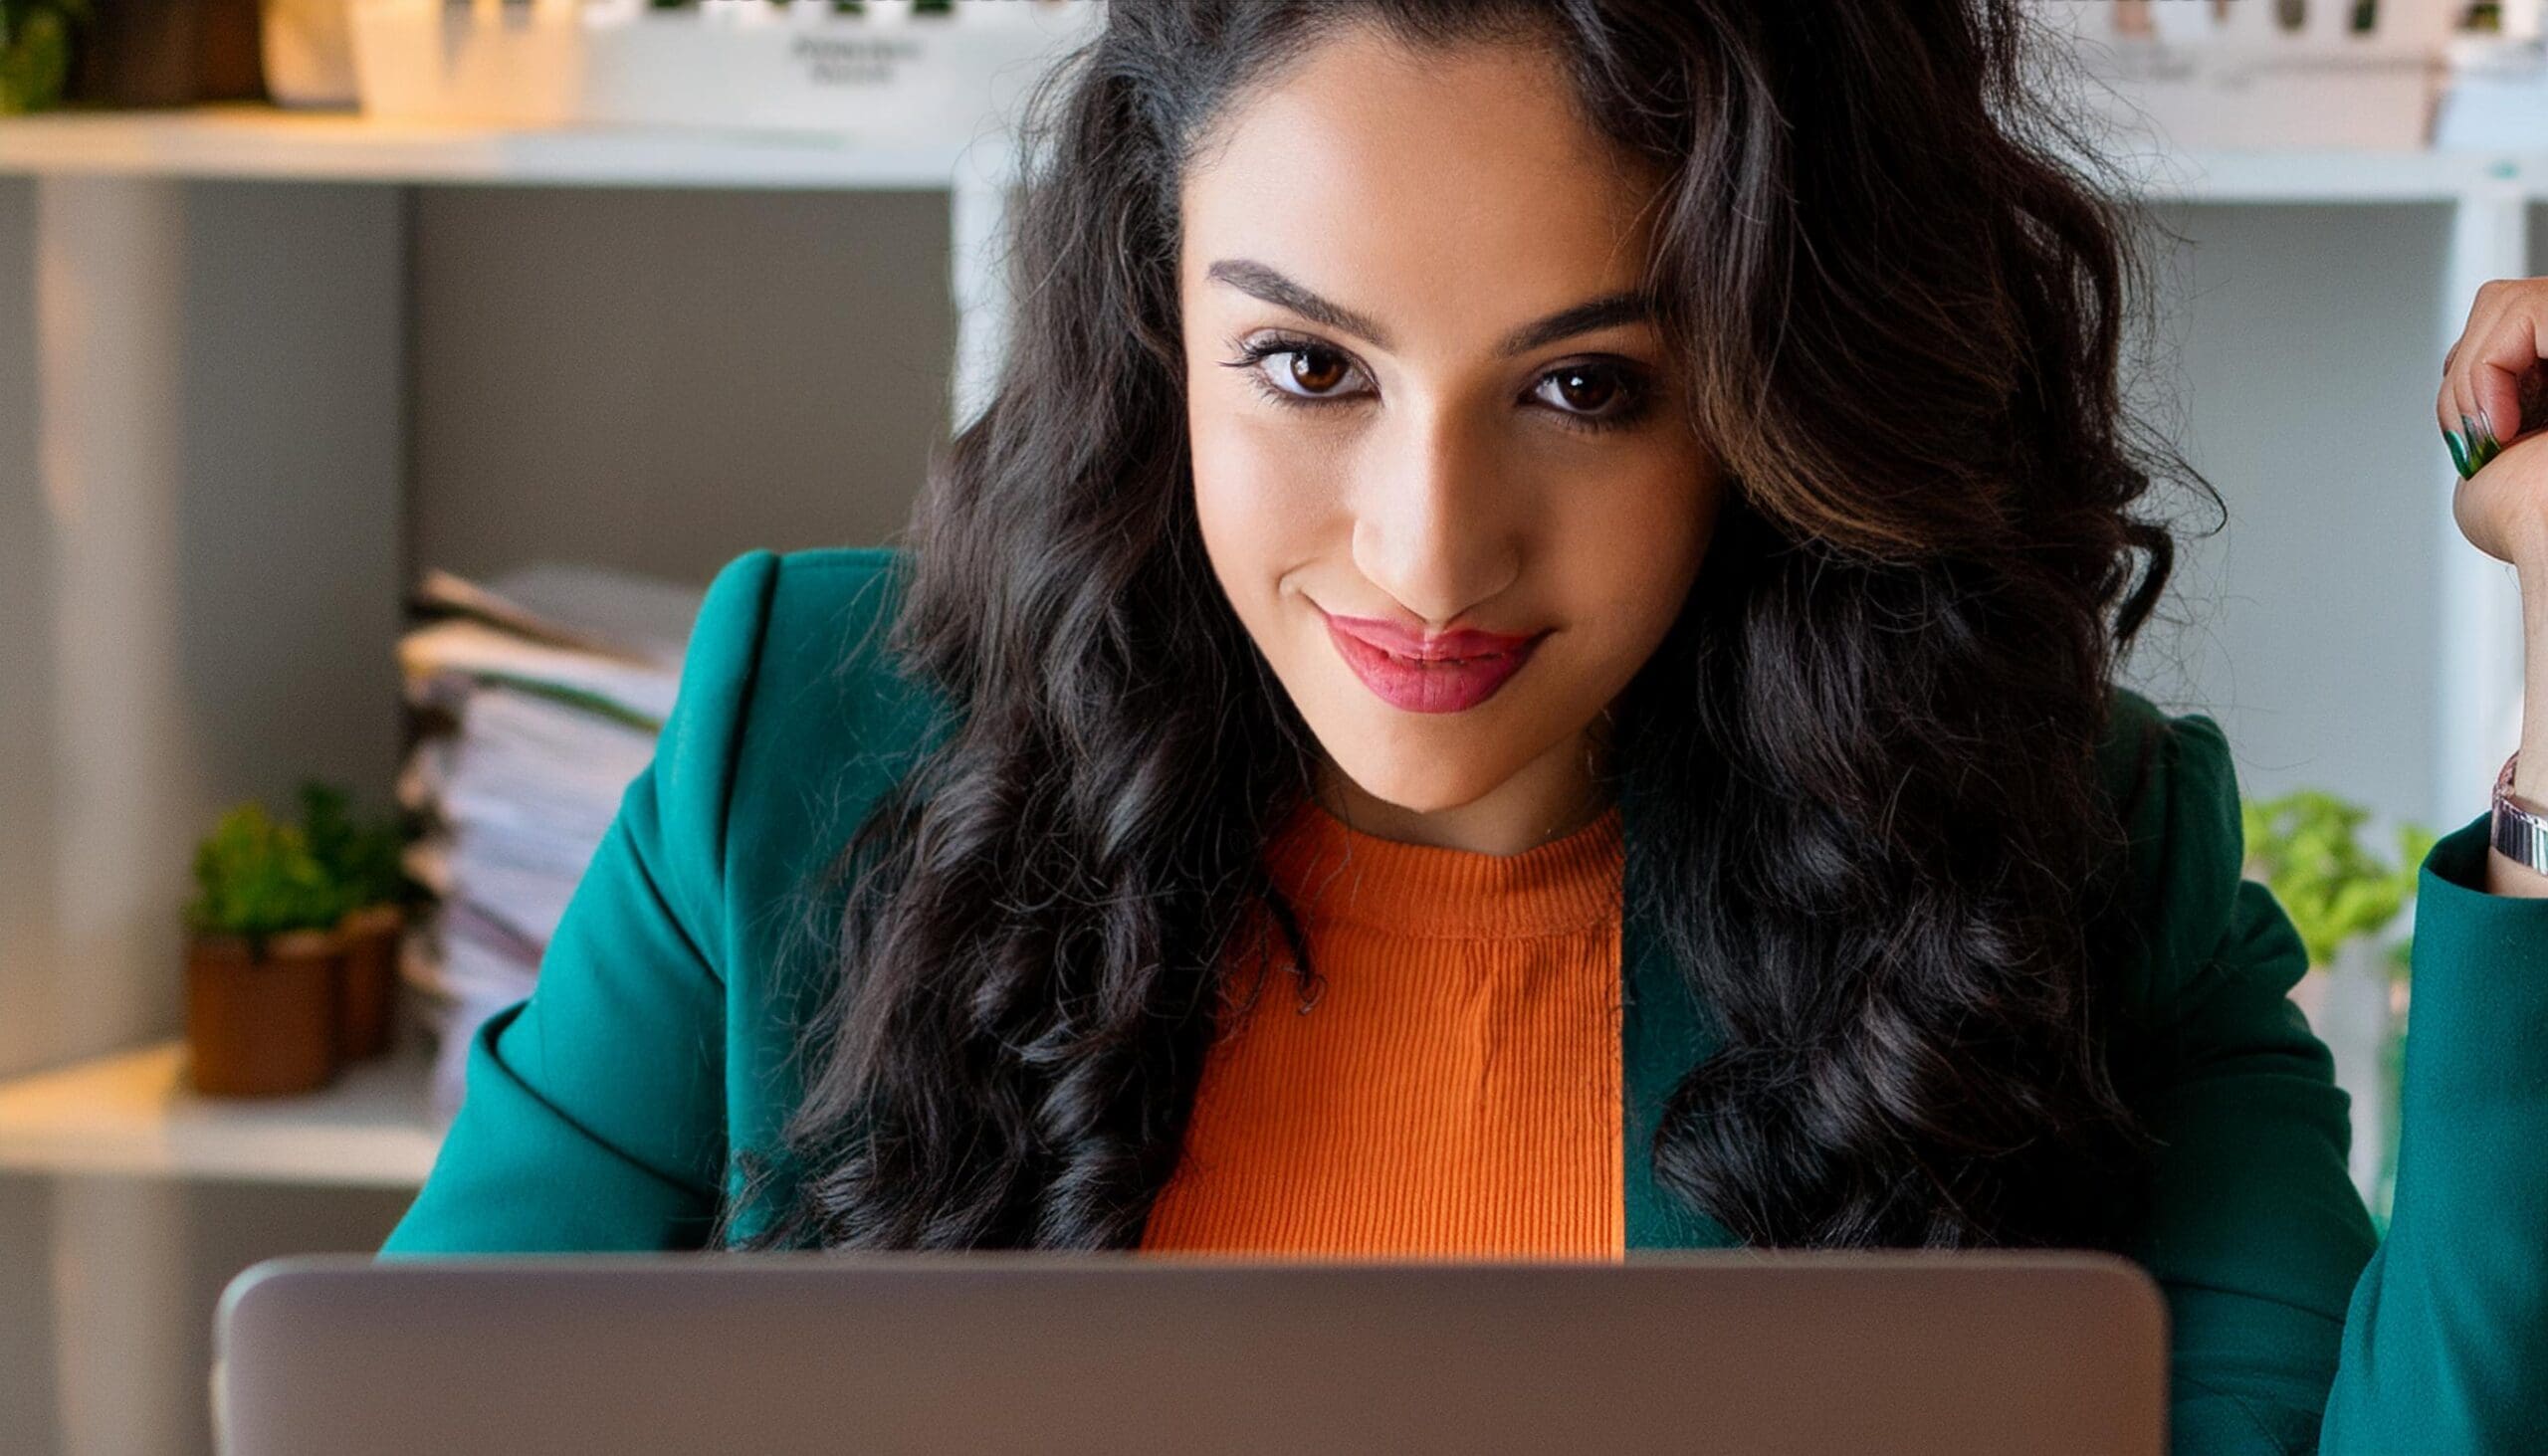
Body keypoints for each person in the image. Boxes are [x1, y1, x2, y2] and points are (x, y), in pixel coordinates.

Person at [379, 1, 2548, 1448]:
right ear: (1154, 326)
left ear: (1771, 395)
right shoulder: (793, 752)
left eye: (1584, 388)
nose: (1425, 559)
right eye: (1307, 370)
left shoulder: (2059, 847)